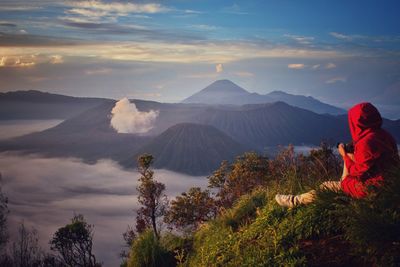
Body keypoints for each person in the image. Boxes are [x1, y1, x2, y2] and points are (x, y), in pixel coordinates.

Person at [275, 102, 399, 208]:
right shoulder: (384, 135)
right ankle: (342, 189)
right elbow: (371, 163)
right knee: (347, 167)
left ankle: (295, 201)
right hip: (390, 184)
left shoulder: (367, 142)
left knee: (326, 186)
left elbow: (358, 171)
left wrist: (345, 155)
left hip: (373, 189)